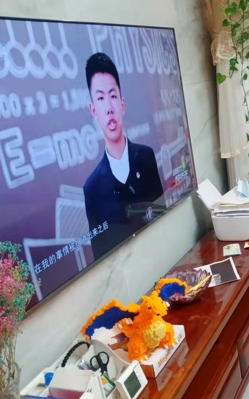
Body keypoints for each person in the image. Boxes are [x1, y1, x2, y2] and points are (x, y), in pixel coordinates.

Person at [83, 53, 163, 261]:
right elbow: (100, 255)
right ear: (93, 110)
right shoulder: (91, 188)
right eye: (100, 98)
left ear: (122, 104)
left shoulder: (146, 157)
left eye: (112, 96)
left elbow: (162, 218)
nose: (109, 108)